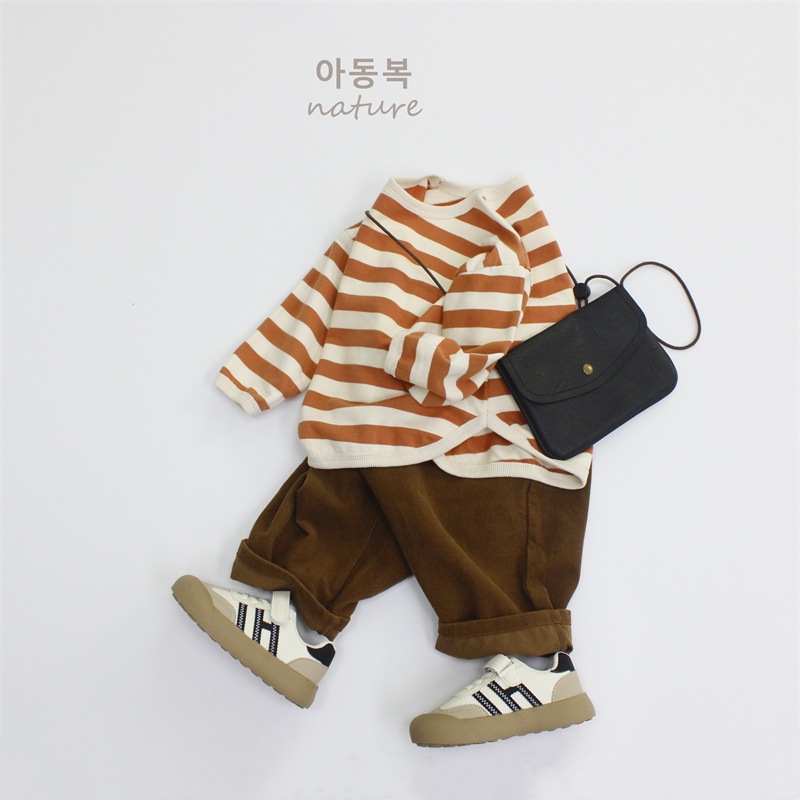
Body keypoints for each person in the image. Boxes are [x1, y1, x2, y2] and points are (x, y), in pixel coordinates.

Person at [172, 174, 595, 746]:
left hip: (496, 420)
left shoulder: (505, 224)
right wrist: (259, 375)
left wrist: (426, 359)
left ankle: (541, 668)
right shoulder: (383, 222)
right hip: (398, 415)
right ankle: (294, 627)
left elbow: (491, 304)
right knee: (359, 486)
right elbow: (323, 293)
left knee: (493, 523)